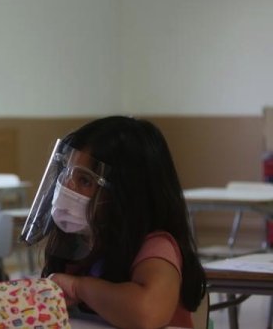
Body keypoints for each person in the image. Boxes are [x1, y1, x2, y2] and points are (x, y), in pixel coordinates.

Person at [20, 116, 206, 329]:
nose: (67, 189)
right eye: (66, 175)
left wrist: (79, 288)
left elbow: (147, 312)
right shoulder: (84, 244)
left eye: (84, 181)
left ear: (126, 193)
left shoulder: (156, 246)